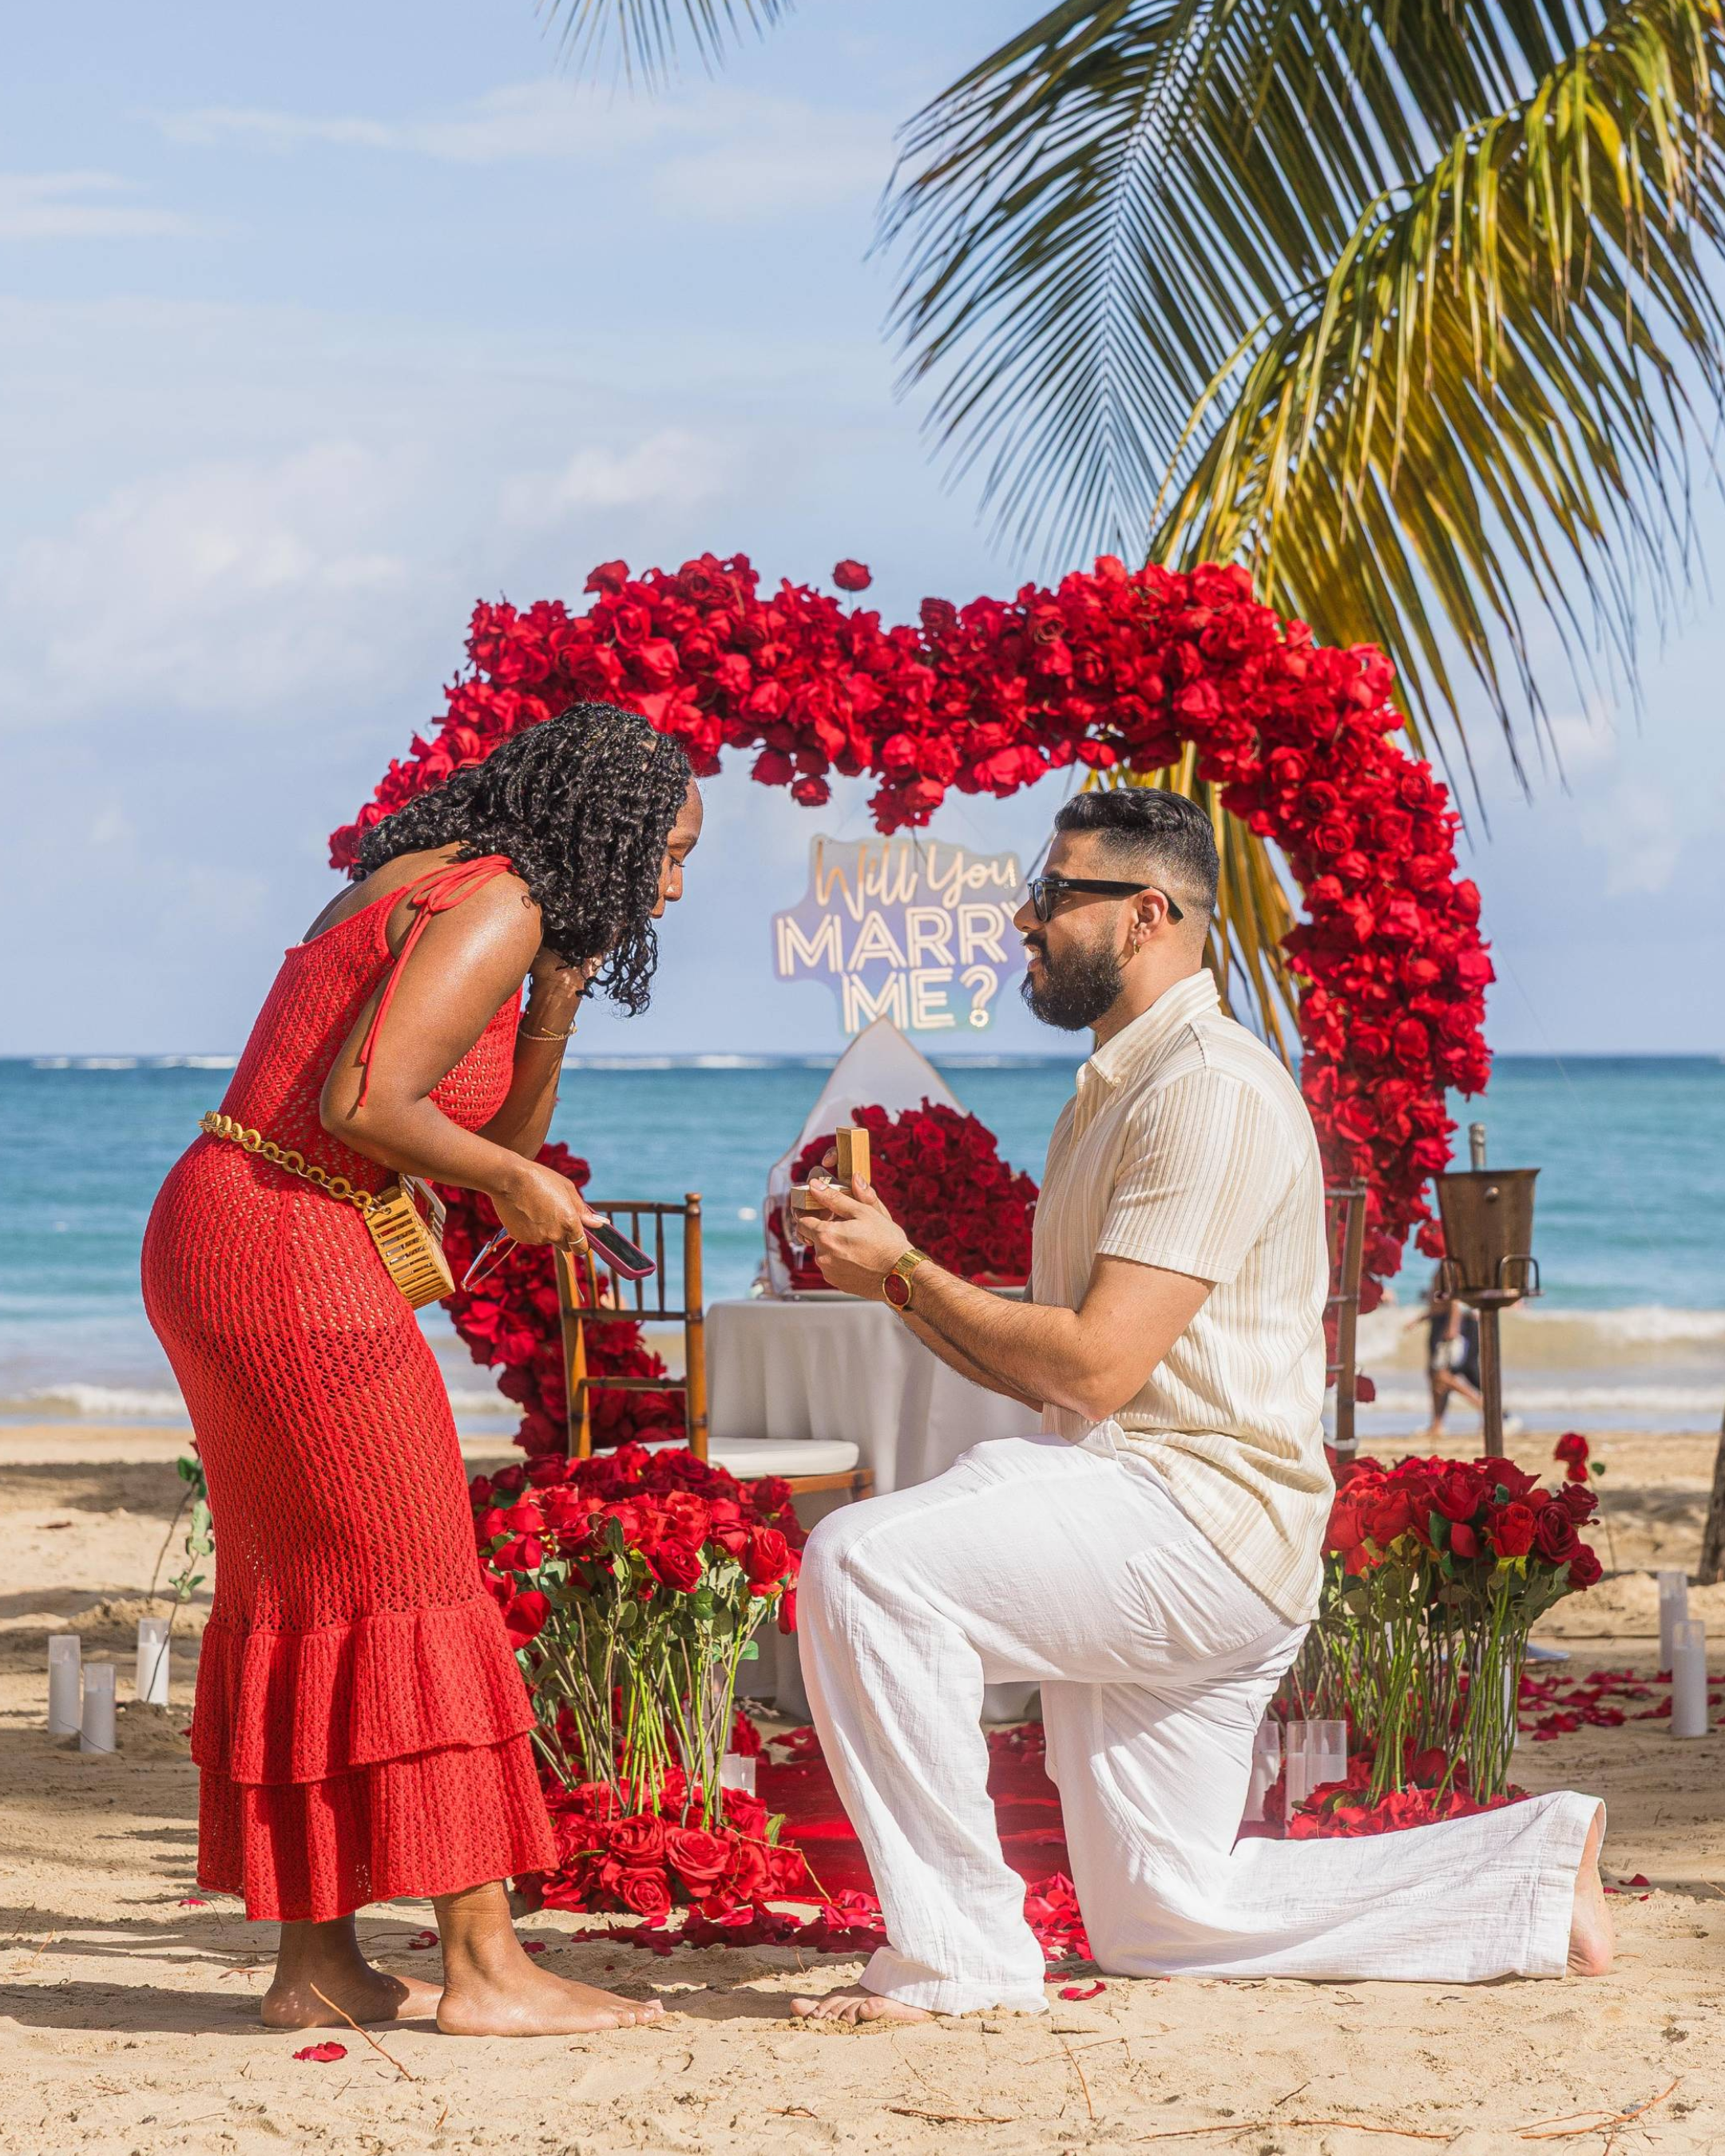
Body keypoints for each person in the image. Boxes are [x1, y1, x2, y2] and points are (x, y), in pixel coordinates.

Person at [790, 787, 1610, 2026]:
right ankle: (1537, 1869)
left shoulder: (1203, 1088)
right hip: (1158, 1523)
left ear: (1147, 914)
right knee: (1161, 1919)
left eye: (1055, 893)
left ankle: (958, 1960)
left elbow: (1092, 1370)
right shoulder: (1116, 1089)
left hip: (1188, 1525)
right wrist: (896, 1280)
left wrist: (902, 1271)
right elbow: (1054, 1365)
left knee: (862, 1565)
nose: (1025, 918)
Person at [142, 703, 700, 2037]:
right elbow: (362, 1105)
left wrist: (556, 1004)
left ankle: (318, 1963)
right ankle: (487, 1970)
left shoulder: (435, 885)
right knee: (417, 1583)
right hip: (291, 1242)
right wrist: (520, 1181)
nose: (675, 883)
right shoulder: (496, 900)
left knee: (301, 1593)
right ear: (605, 832)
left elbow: (461, 1118)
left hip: (223, 1225)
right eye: (668, 851)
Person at [1405, 1266, 1484, 1437]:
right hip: (1439, 1322)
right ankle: (1436, 1425)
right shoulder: (1444, 1266)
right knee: (1434, 1376)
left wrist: (1452, 1329)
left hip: (1445, 1325)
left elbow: (1455, 1299)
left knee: (1441, 1375)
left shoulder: (1449, 1266)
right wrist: (1419, 1320)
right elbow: (1439, 1302)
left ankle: (1482, 1404)